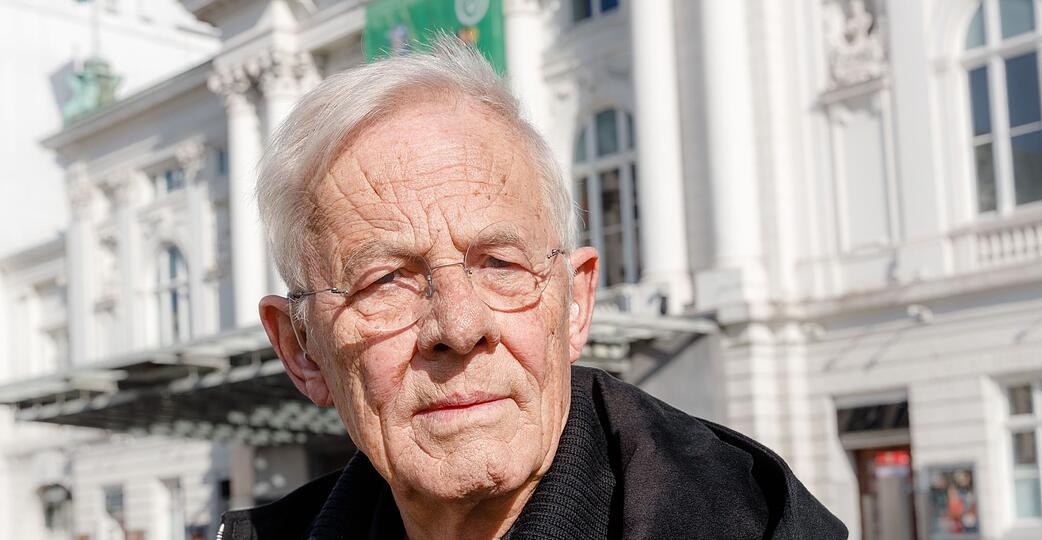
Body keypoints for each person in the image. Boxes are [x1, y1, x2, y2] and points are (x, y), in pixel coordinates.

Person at [218, 37, 848, 540]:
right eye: (385, 280)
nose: (461, 328)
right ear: (300, 348)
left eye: (500, 264)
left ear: (574, 303)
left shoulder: (753, 524)